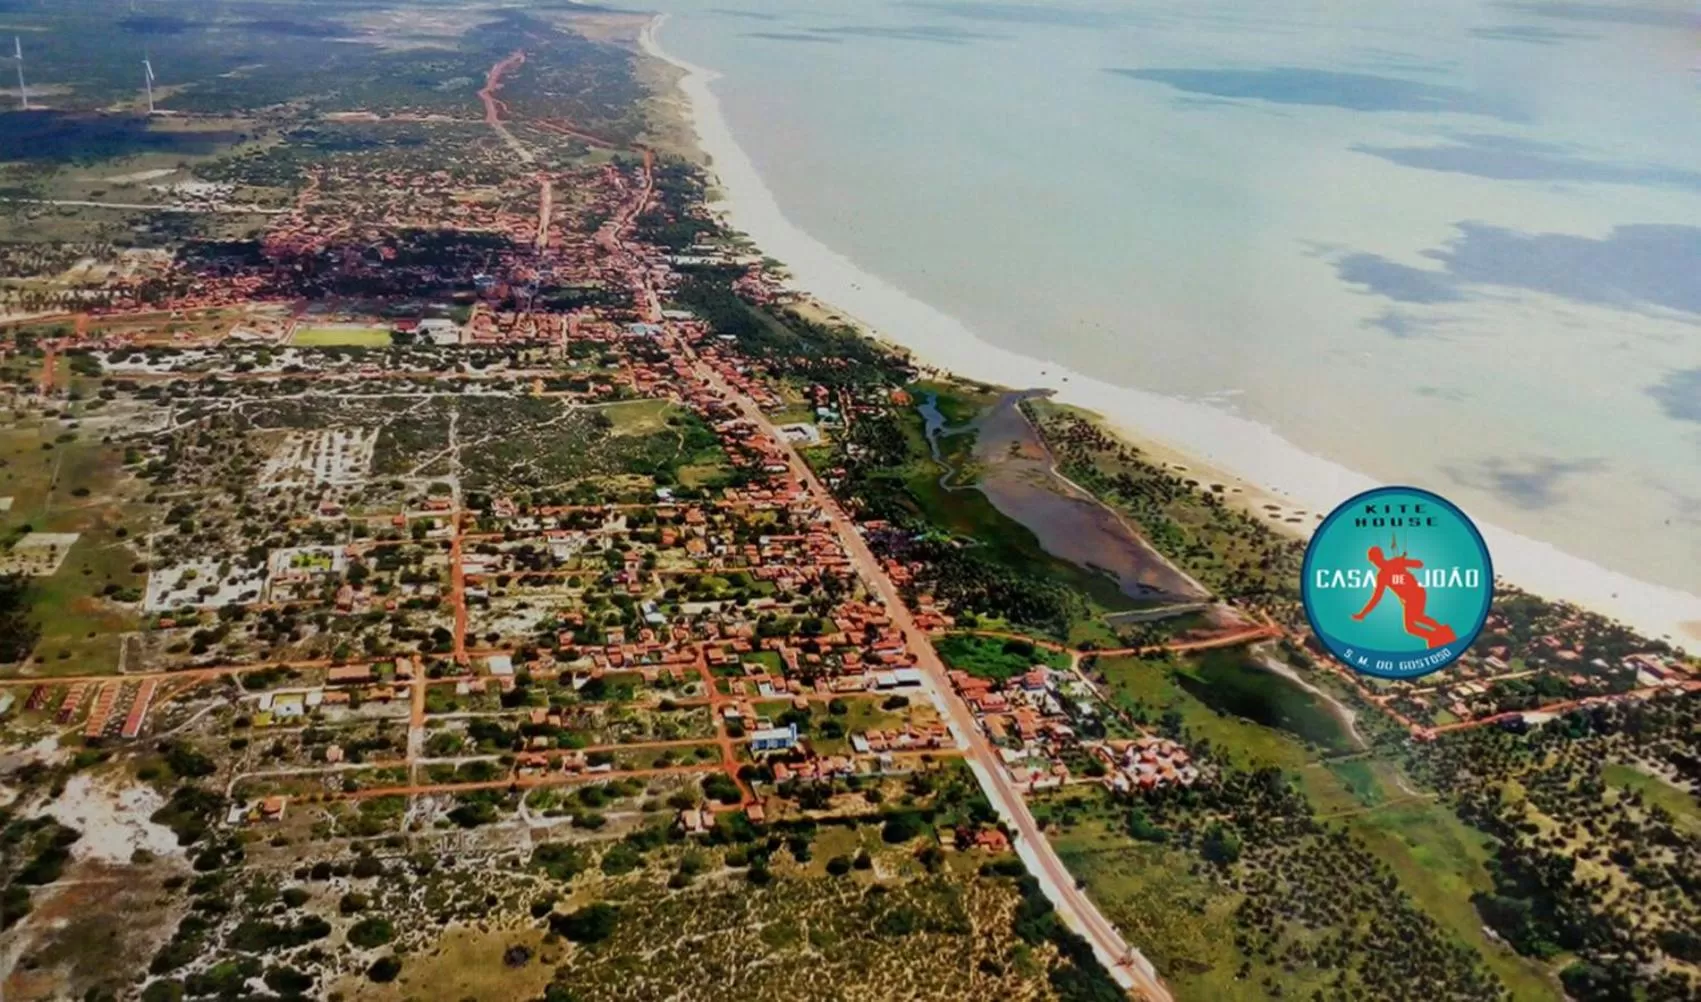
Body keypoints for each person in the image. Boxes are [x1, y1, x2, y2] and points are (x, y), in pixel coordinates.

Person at [1351, 545, 1456, 648]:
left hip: (1416, 593)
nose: (1376, 563)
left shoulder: (1395, 563)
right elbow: (1376, 598)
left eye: (1376, 559)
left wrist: (1405, 562)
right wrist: (1363, 614)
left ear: (1381, 556)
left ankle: (1437, 634)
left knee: (1411, 625)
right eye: (1374, 561)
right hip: (1410, 598)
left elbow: (1419, 564)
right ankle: (1438, 633)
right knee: (1417, 619)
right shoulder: (1382, 576)